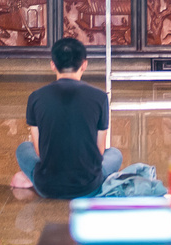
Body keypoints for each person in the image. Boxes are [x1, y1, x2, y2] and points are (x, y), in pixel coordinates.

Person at [12, 37, 123, 198]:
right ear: (84, 64)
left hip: (47, 187)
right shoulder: (100, 98)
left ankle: (32, 178)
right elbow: (98, 152)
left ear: (52, 65)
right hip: (88, 187)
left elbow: (39, 152)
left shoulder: (35, 97)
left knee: (23, 148)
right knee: (114, 153)